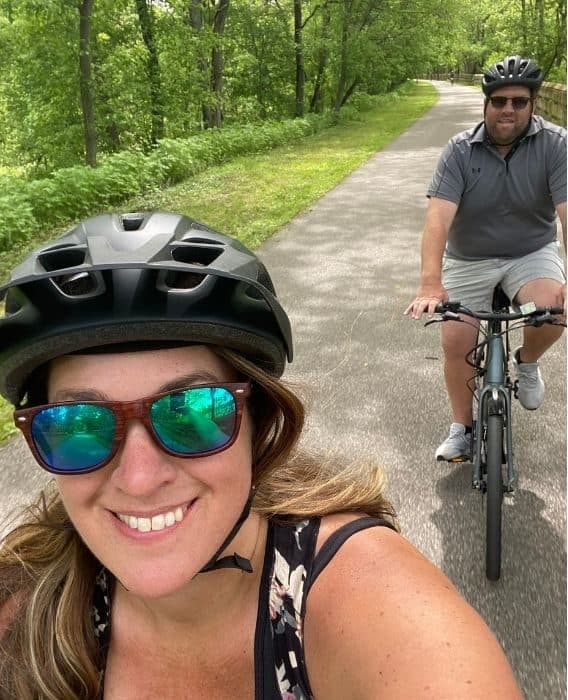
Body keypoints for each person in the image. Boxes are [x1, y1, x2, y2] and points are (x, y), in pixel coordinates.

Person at [0, 211, 523, 699]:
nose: (139, 479)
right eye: (79, 426)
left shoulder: (366, 597)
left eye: (193, 412)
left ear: (260, 424)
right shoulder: (22, 603)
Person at [405, 55, 566, 461]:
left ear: (533, 104)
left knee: (553, 310)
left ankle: (526, 361)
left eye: (519, 101)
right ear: (486, 104)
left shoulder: (556, 145)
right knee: (456, 340)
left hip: (530, 251)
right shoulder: (459, 150)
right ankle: (462, 427)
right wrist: (430, 283)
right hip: (470, 257)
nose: (508, 109)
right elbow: (438, 220)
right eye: (499, 101)